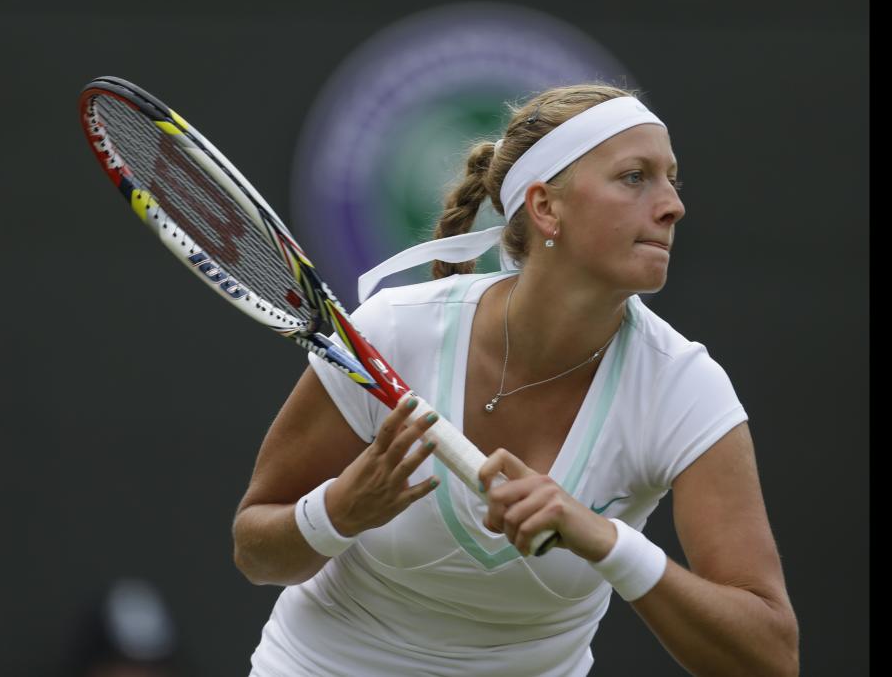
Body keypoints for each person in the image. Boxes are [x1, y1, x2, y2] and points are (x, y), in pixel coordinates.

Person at [232, 84, 799, 676]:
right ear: (545, 207)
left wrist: (606, 541)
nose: (672, 205)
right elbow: (255, 550)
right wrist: (341, 509)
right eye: (635, 177)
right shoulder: (395, 331)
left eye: (671, 180)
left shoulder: (682, 387)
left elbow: (769, 658)